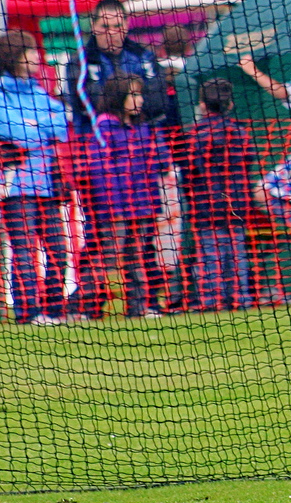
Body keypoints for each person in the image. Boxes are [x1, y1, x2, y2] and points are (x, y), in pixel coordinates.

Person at [76, 75, 173, 319]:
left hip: (142, 206)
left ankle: (138, 307)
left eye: (140, 94)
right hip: (112, 209)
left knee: (136, 257)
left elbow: (160, 162)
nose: (139, 100)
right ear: (119, 98)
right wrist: (112, 206)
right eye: (133, 95)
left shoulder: (144, 128)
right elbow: (98, 170)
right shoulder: (104, 127)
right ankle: (89, 308)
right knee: (103, 257)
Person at [0, 31, 71, 325]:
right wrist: (42, 126)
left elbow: (63, 123)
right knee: (25, 251)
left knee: (58, 249)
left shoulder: (39, 91)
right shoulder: (3, 92)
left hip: (48, 185)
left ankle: (54, 311)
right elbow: (18, 134)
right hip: (17, 187)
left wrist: (37, 124)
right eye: (30, 51)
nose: (36, 57)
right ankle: (28, 313)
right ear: (15, 55)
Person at [184, 78, 258, 311]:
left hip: (206, 205)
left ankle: (212, 302)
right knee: (236, 256)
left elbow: (189, 172)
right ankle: (240, 299)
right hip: (236, 203)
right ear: (229, 104)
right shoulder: (241, 133)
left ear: (203, 105)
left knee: (211, 257)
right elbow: (248, 164)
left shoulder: (196, 134)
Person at [65, 0, 167, 134]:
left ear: (126, 25)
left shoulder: (145, 57)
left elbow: (158, 101)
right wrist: (128, 105)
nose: (112, 33)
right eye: (105, 27)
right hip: (99, 138)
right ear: (93, 26)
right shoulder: (79, 64)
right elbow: (89, 103)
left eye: (117, 26)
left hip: (145, 135)